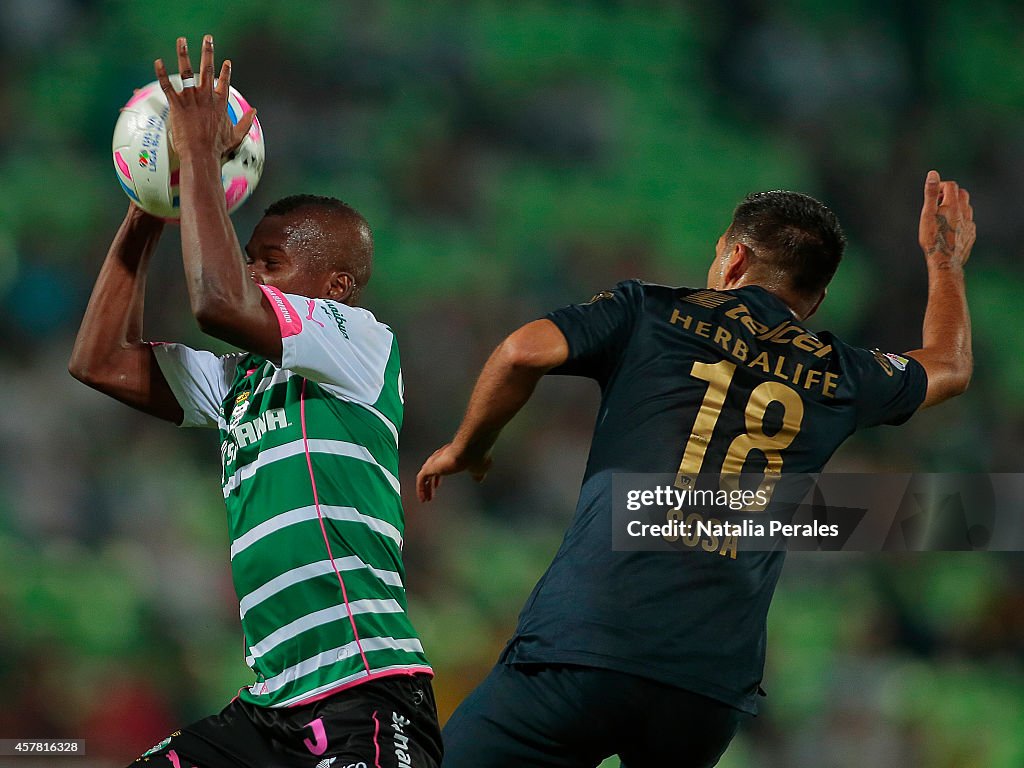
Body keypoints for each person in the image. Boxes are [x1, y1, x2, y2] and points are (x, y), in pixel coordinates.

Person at [417, 171, 975, 767]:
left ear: (733, 259)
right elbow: (950, 366)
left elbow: (523, 350)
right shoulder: (843, 372)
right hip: (707, 688)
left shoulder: (652, 309)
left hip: (588, 643)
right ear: (815, 301)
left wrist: (469, 447)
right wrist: (944, 263)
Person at [69, 36, 441, 768]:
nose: (250, 270)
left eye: (271, 261)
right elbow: (98, 360)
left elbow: (216, 302)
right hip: (269, 709)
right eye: (249, 259)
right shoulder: (238, 381)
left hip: (366, 691)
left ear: (336, 285)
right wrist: (156, 196)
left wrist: (202, 154)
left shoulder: (361, 344)